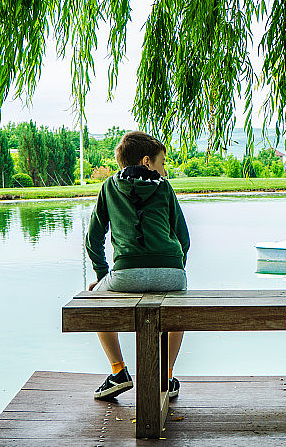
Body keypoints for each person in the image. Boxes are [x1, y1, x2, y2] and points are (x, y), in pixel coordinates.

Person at [85, 130, 190, 401]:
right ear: (146, 162)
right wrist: (177, 270)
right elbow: (183, 238)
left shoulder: (109, 186)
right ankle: (165, 375)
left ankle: (119, 372)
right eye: (162, 162)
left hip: (126, 274)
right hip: (172, 273)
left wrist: (101, 275)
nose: (164, 170)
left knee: (95, 300)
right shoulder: (165, 187)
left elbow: (93, 237)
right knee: (176, 307)